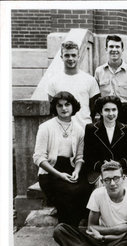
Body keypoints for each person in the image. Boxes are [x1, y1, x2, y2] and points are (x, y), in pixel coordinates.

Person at [53, 160, 127, 246]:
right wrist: (117, 229)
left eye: (116, 178)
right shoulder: (97, 194)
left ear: (123, 179)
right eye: (107, 179)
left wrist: (105, 237)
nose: (112, 183)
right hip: (98, 242)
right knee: (61, 229)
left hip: (119, 244)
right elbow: (91, 227)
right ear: (102, 181)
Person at [33, 91, 90, 227]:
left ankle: (73, 229)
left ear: (73, 106)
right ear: (55, 108)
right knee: (67, 193)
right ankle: (67, 233)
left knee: (85, 189)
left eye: (67, 104)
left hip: (69, 169)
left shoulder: (79, 129)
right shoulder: (45, 127)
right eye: (60, 105)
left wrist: (76, 171)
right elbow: (38, 157)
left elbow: (79, 157)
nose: (64, 109)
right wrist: (59, 175)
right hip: (50, 173)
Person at [83, 96, 127, 188]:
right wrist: (103, 166)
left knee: (125, 189)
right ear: (100, 112)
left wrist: (118, 164)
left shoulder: (126, 129)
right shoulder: (91, 129)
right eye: (107, 110)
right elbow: (88, 156)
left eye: (114, 110)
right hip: (99, 172)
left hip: (122, 171)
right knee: (103, 190)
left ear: (118, 111)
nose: (111, 113)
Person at [47, 41, 100, 128]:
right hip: (62, 130)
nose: (70, 58)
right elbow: (53, 109)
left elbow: (93, 108)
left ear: (78, 57)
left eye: (73, 55)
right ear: (61, 57)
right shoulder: (53, 81)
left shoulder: (90, 80)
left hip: (84, 129)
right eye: (67, 55)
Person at [95, 35, 127, 129]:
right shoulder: (99, 71)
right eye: (111, 46)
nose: (114, 49)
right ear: (106, 49)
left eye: (117, 47)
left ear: (122, 49)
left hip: (125, 115)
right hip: (105, 114)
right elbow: (96, 96)